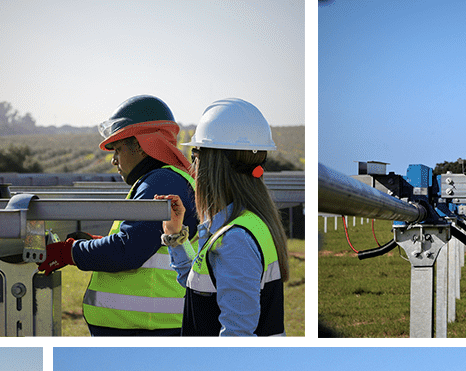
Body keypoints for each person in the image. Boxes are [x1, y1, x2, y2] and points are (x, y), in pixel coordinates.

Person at [37, 95, 199, 335]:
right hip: (147, 327)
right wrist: (95, 244)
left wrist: (69, 252)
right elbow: (144, 242)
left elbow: (128, 250)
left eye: (118, 149)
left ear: (143, 146)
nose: (113, 160)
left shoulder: (161, 182)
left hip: (149, 329)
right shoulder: (161, 180)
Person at [155, 98, 288, 336]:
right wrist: (175, 236)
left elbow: (237, 335)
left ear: (210, 163)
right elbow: (201, 286)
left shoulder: (235, 239)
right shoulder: (247, 224)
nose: (193, 166)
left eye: (195, 155)